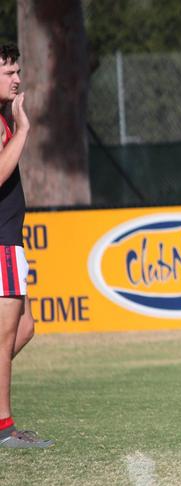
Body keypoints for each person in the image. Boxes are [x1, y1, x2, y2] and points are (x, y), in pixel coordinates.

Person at [0, 43, 53, 448]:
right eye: (8, 72)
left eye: (17, 71)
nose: (17, 79)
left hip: (11, 241)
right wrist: (23, 131)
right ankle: (4, 429)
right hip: (1, 242)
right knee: (3, 339)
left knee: (27, 326)